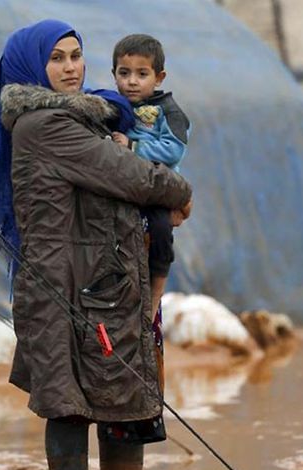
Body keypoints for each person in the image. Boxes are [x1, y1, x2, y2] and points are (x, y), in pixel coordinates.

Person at [0, 20, 193, 470]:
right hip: (62, 286)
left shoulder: (90, 116)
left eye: (76, 55)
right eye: (56, 58)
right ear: (32, 68)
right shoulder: (43, 125)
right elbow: (132, 177)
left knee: (125, 393)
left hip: (106, 283)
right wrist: (178, 190)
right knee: (69, 401)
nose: (71, 67)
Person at [110, 34, 190, 321]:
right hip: (126, 188)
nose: (132, 81)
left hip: (157, 189)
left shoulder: (168, 111)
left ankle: (156, 294)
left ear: (159, 77)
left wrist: (134, 147)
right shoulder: (114, 106)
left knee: (159, 230)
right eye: (124, 73)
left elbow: (174, 150)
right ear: (114, 74)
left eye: (142, 74)